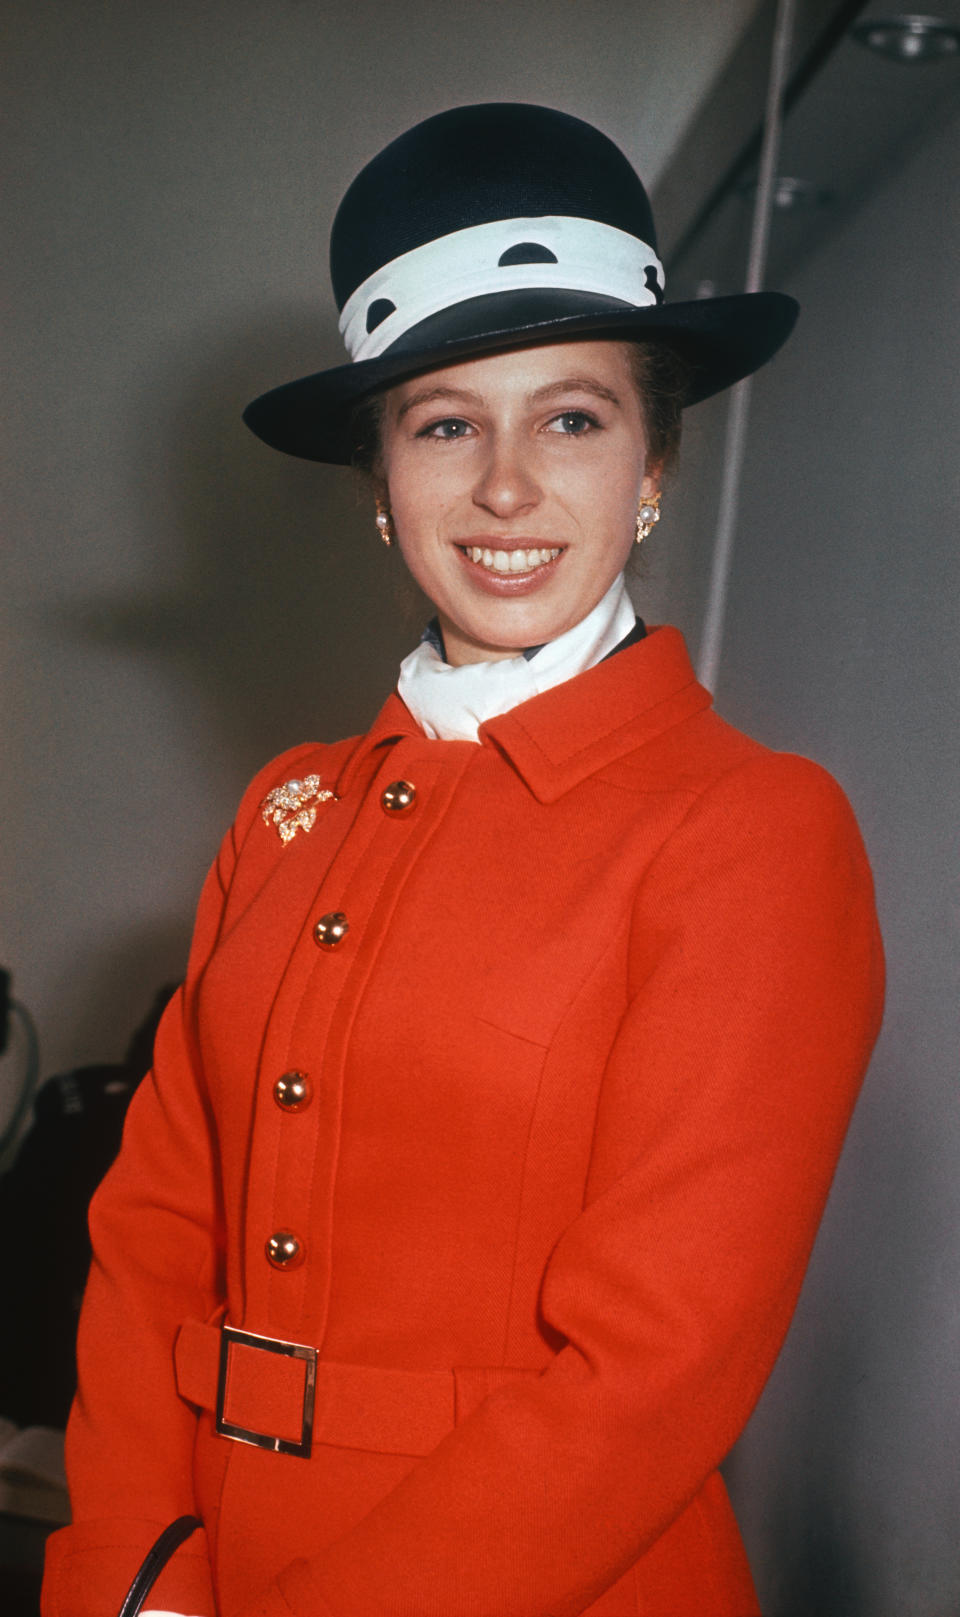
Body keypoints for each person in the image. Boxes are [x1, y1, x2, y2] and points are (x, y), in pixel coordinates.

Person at [41, 104, 884, 1617]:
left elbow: (655, 1370)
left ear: (653, 467)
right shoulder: (286, 809)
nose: (505, 486)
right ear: (378, 484)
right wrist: (135, 1574)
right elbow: (157, 1232)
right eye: (444, 421)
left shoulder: (753, 830)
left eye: (571, 417)